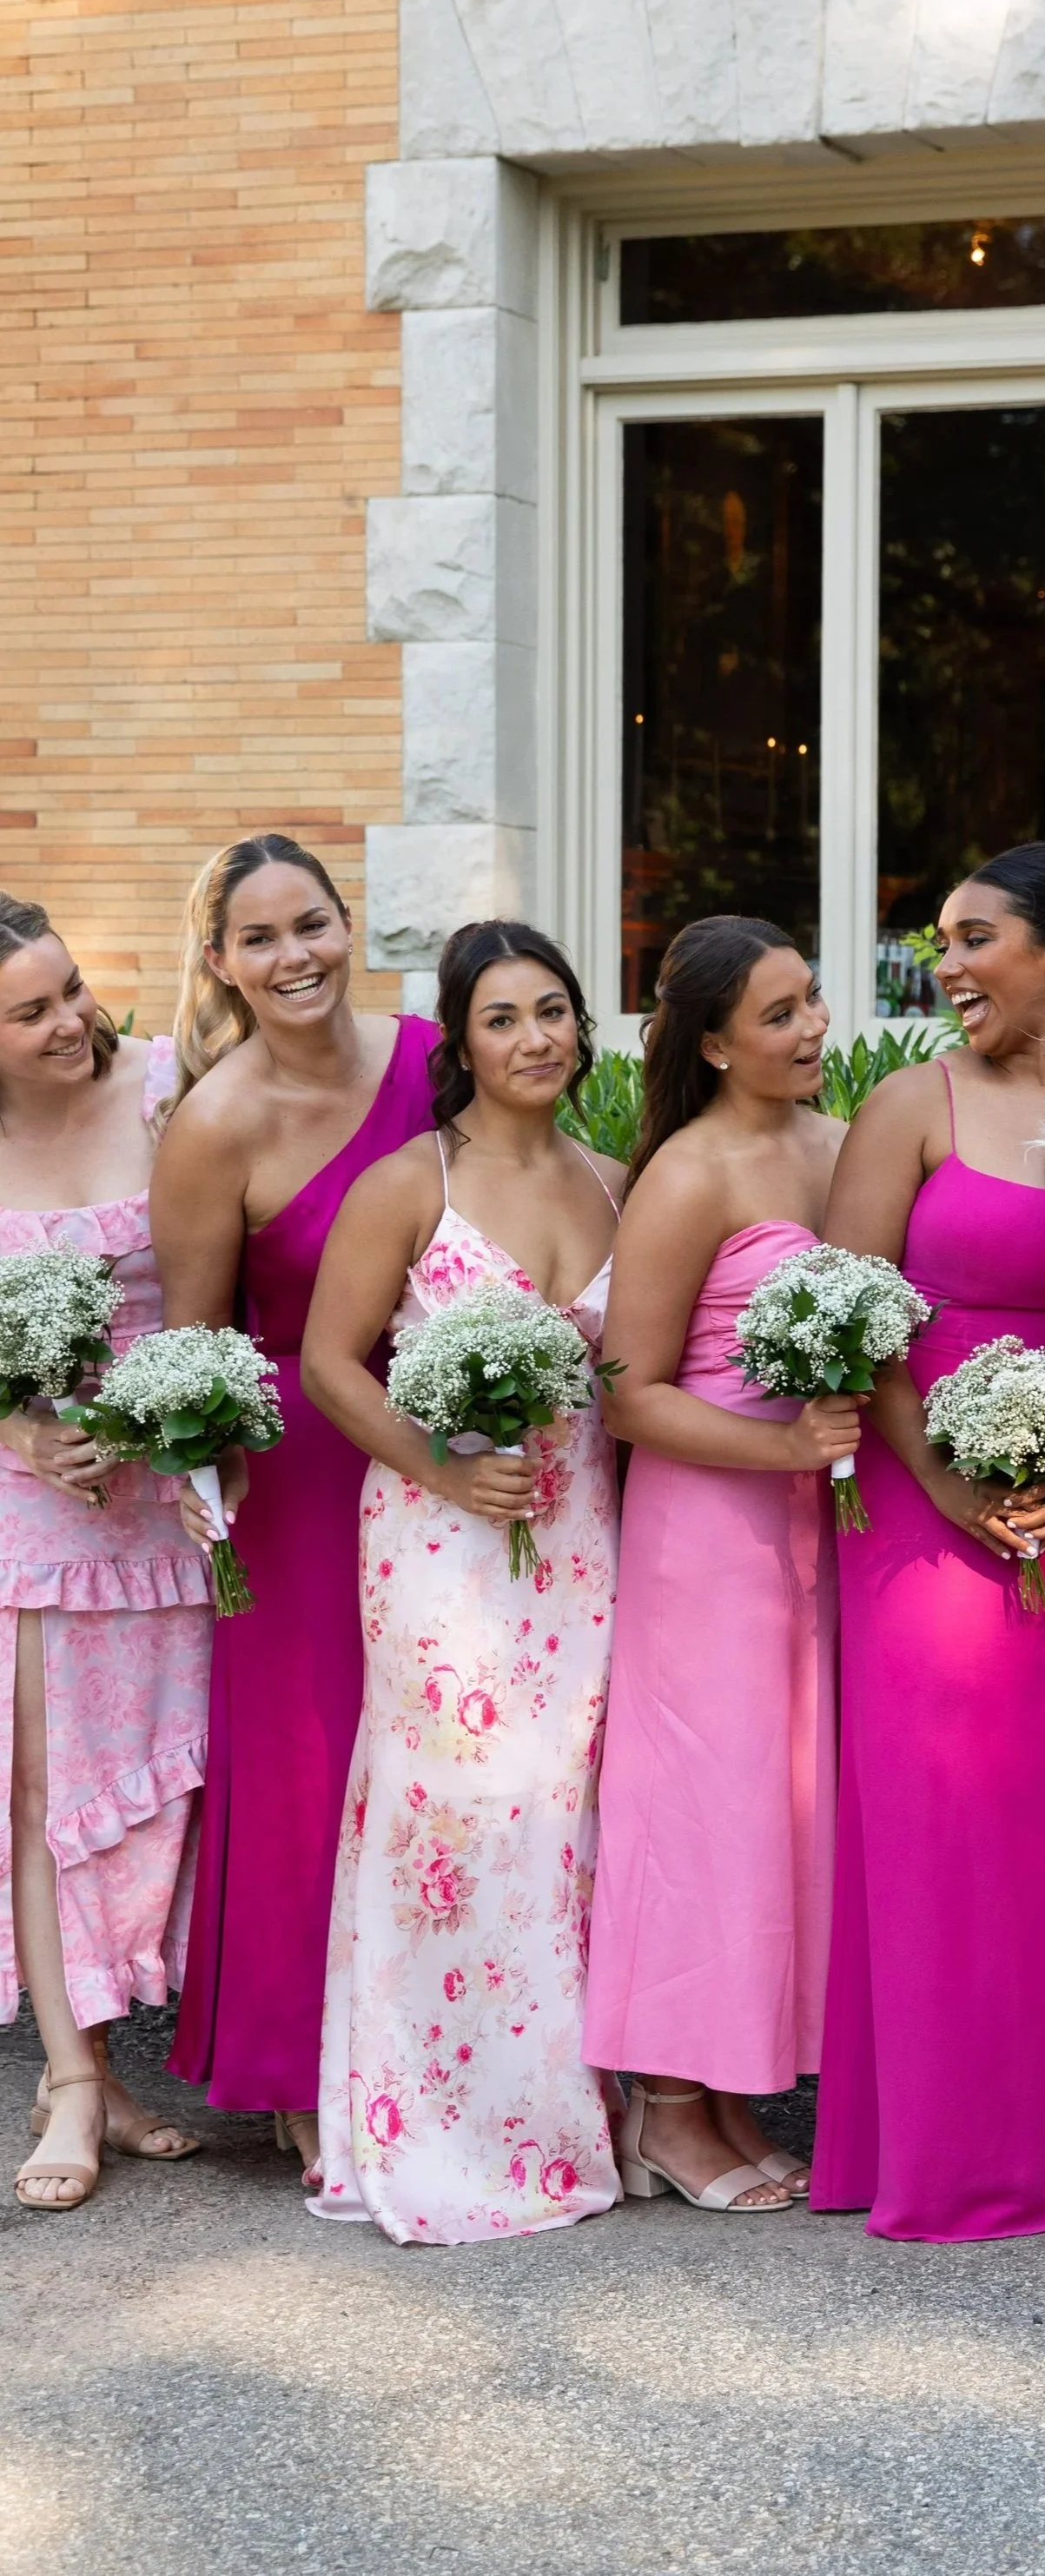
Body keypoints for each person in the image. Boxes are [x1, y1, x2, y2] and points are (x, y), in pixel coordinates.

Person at [810, 845, 1045, 2242]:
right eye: (942, 940)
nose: (947, 965)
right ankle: (932, 2146)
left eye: (976, 936)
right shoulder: (910, 1103)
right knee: (935, 1820)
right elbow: (845, 1312)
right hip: (915, 1504)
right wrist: (939, 1476)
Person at [300, 921, 624, 2243]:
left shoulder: (617, 1180)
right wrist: (440, 1465)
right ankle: (430, 2126)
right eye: (503, 1017)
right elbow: (330, 1363)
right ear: (462, 1040)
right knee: (450, 1821)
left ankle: (558, 2125)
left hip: (580, 1544)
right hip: (439, 1544)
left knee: (560, 1824)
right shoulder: (408, 1183)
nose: (535, 1037)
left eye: (553, 1010)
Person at [150, 834, 438, 2182]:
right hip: (295, 1467)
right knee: (309, 1757)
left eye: (311, 923)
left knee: (444, 1744)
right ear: (220, 962)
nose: (295, 956)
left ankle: (444, 2037)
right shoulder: (215, 1124)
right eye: (259, 939)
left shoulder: (437, 1055)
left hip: (449, 1428)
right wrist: (211, 1490)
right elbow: (195, 1347)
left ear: (347, 922)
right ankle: (301, 2066)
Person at [585, 918, 849, 2214]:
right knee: (702, 1806)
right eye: (781, 1014)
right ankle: (668, 2111)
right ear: (709, 1042)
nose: (812, 1029)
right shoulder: (687, 1174)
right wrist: (783, 1438)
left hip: (810, 1520)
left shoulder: (835, 1143)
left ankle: (734, 2087)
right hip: (706, 1527)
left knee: (780, 1806)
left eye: (811, 1001)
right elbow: (626, 1395)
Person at [0, 897, 210, 2209]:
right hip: (34, 1498)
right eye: (30, 1012)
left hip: (179, 1481)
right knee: (40, 1783)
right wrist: (21, 1434)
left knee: (184, 1774)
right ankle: (76, 2080)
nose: (72, 1020)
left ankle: (193, 2052)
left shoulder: (170, 1089)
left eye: (71, 988)